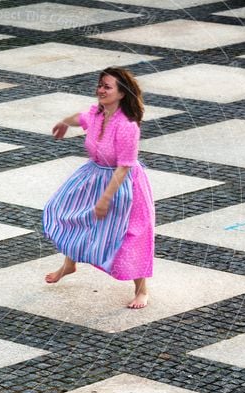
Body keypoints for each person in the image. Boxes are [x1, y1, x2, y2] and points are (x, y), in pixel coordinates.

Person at [42, 67, 154, 309]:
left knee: (130, 234)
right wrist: (64, 122)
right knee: (72, 215)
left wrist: (105, 199)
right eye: (100, 85)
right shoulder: (97, 114)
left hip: (123, 184)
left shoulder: (127, 126)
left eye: (107, 87)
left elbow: (124, 167)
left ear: (122, 93)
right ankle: (69, 264)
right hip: (94, 175)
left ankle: (141, 289)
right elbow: (80, 118)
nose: (101, 90)